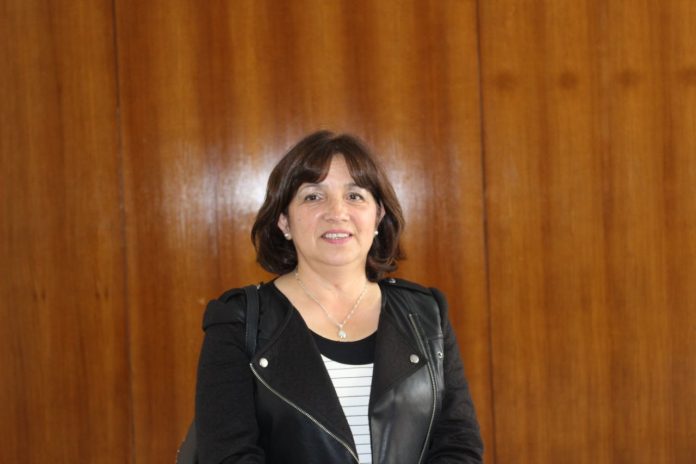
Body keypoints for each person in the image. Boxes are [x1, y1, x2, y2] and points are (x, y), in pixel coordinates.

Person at [195, 131, 483, 463]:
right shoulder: (238, 321)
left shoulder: (426, 314)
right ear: (284, 221)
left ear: (378, 216)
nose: (337, 212)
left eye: (355, 196)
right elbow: (229, 455)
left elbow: (458, 444)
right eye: (313, 197)